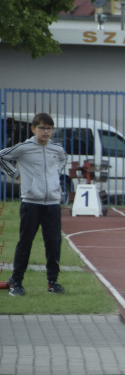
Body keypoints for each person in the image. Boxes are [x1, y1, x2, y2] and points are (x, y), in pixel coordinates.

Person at [1, 112, 68, 297]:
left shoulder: (57, 149)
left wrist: (55, 179)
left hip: (52, 203)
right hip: (31, 202)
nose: (46, 132)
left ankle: (53, 282)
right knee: (25, 242)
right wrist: (17, 176)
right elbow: (1, 157)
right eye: (42, 128)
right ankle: (17, 282)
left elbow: (63, 159)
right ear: (33, 129)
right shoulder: (25, 148)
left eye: (49, 128)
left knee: (54, 243)